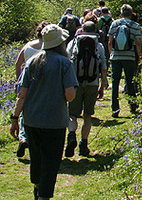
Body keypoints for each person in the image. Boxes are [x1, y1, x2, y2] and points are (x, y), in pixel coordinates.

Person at [9, 24, 78, 200]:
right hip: (55, 121)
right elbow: (70, 96)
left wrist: (15, 118)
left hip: (32, 120)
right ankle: (43, 196)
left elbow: (21, 95)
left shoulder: (32, 61)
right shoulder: (65, 63)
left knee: (37, 158)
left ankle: (37, 186)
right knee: (51, 161)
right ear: (60, 43)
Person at [65, 21, 109, 157]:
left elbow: (67, 62)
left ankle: (71, 135)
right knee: (87, 115)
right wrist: (103, 84)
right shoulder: (99, 46)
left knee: (72, 114)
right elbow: (103, 65)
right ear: (96, 31)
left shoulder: (72, 43)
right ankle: (84, 143)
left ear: (82, 31)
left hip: (75, 83)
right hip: (92, 83)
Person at [13, 20, 51, 158]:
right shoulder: (50, 48)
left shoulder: (28, 46)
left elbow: (18, 64)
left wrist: (19, 81)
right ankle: (40, 140)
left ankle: (23, 137)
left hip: (26, 82)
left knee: (24, 110)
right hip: (44, 84)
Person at [107, 4, 142, 117]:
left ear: (121, 13)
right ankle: (133, 106)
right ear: (131, 14)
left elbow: (110, 41)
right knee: (130, 82)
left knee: (115, 82)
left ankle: (115, 109)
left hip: (116, 57)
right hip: (129, 57)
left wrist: (110, 54)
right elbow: (137, 43)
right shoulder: (135, 25)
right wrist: (140, 57)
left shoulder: (115, 24)